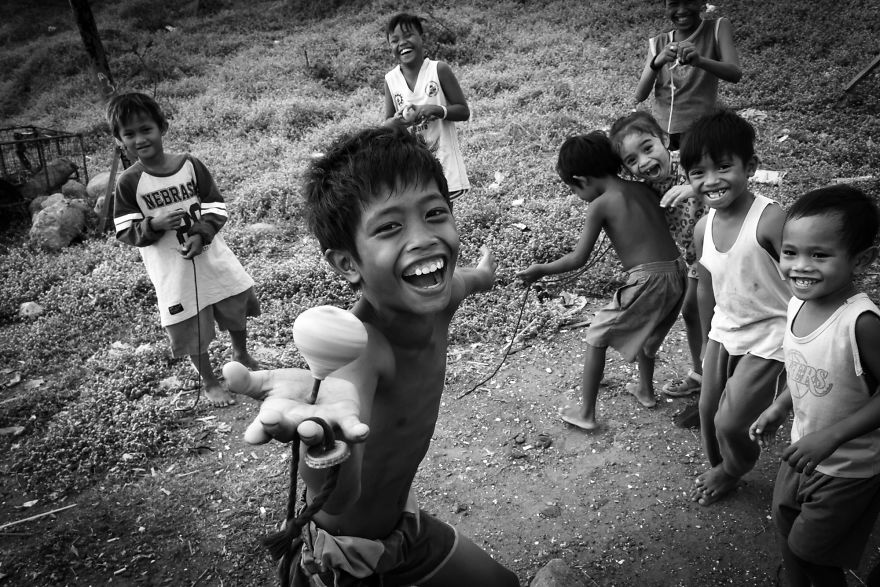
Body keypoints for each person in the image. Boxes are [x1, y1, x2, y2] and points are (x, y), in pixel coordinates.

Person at [225, 126, 518, 586]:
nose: (423, 238)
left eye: (435, 213)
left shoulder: (443, 293)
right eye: (389, 227)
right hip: (348, 562)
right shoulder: (361, 349)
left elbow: (467, 280)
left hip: (402, 529)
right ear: (347, 264)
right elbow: (341, 497)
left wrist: (485, 273)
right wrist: (325, 443)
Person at [748, 185, 880, 587]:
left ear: (862, 259)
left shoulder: (861, 323)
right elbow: (807, 369)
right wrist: (779, 406)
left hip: (849, 467)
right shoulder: (796, 304)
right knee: (784, 519)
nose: (800, 266)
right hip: (802, 450)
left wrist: (832, 437)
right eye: (791, 252)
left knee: (815, 551)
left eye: (819, 255)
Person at [517, 131, 686, 431]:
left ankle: (586, 413)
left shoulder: (601, 204)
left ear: (581, 180)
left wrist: (541, 269)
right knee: (649, 336)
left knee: (597, 335)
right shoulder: (643, 189)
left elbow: (578, 258)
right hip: (678, 273)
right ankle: (646, 391)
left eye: (573, 189)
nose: (578, 195)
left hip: (648, 279)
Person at [108, 92, 260, 407]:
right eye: (129, 134)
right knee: (191, 326)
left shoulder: (189, 165)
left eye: (146, 129)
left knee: (233, 301)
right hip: (172, 270)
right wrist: (153, 223)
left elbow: (216, 206)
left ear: (162, 127)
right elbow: (124, 230)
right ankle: (210, 381)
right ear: (120, 140)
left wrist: (202, 233)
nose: (140, 138)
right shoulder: (128, 183)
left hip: (211, 255)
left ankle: (240, 352)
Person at [683, 109, 790, 506]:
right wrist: (707, 343)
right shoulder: (702, 227)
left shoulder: (770, 218)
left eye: (724, 166)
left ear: (751, 167)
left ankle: (734, 468)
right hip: (725, 330)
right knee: (709, 410)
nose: (711, 180)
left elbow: (802, 277)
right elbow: (708, 284)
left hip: (771, 333)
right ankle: (722, 467)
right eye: (698, 172)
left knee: (730, 420)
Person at [610, 110, 707, 403]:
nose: (644, 162)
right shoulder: (645, 187)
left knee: (719, 317)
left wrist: (693, 187)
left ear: (665, 139)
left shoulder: (691, 164)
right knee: (692, 313)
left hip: (724, 251)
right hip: (695, 261)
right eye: (631, 160)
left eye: (648, 148)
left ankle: (722, 381)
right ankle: (701, 374)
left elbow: (724, 179)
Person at [382, 12, 471, 199]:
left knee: (443, 210)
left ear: (422, 37)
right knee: (421, 213)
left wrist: (438, 110)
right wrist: (397, 122)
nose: (402, 43)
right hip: (411, 164)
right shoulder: (391, 80)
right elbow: (386, 125)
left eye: (408, 36)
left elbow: (463, 111)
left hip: (444, 159)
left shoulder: (439, 70)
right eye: (395, 40)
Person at [634, 0, 741, 149]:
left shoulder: (717, 28)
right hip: (663, 134)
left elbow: (735, 73)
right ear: (665, 6)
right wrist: (658, 61)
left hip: (700, 132)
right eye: (673, 4)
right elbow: (640, 95)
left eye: (688, 2)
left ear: (702, 2)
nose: (681, 10)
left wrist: (700, 61)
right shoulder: (659, 43)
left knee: (696, 169)